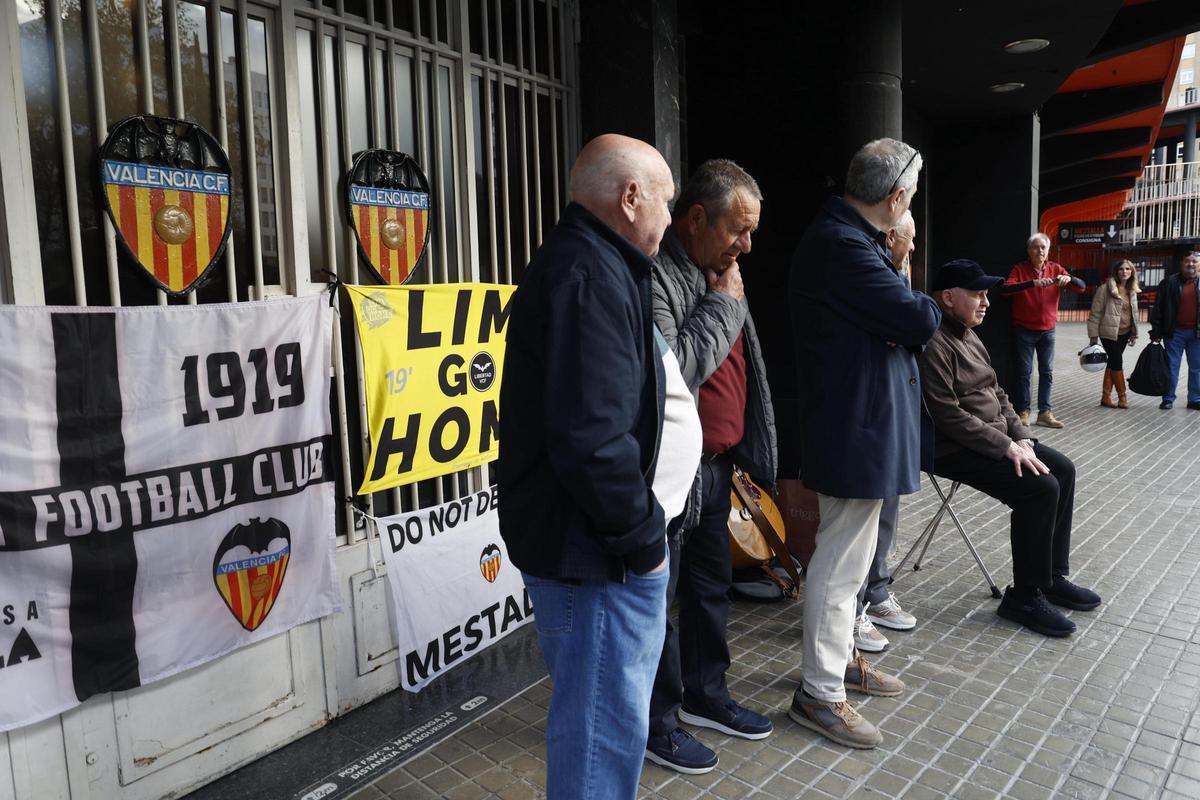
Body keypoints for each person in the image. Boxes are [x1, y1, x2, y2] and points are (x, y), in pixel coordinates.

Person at [496, 133, 702, 799]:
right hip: (597, 556)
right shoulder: (587, 275)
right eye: (666, 201)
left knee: (602, 731)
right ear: (631, 196)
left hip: (595, 550)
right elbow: (591, 439)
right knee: (598, 740)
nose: (671, 220)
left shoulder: (595, 265)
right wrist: (645, 543)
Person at [788, 138, 941, 749]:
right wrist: (909, 303)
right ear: (897, 196)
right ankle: (820, 693)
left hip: (861, 426)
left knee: (851, 560)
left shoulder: (851, 240)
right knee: (842, 560)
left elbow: (903, 323)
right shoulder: (844, 245)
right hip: (855, 429)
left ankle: (840, 663)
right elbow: (920, 320)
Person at [645, 159, 777, 774]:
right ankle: (658, 722)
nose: (747, 246)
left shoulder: (719, 269)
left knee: (709, 589)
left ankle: (706, 693)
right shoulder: (657, 278)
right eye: (737, 230)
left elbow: (743, 372)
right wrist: (725, 306)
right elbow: (677, 371)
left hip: (719, 465)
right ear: (696, 218)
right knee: (662, 602)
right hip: (674, 473)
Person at [920, 259, 1101, 639]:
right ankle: (1023, 596)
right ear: (948, 297)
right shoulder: (934, 340)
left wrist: (1020, 436)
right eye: (978, 294)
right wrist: (1007, 446)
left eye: (987, 294)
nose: (986, 302)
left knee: (1063, 469)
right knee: (1039, 486)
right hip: (950, 448)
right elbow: (946, 414)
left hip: (996, 439)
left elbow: (997, 392)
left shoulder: (968, 332)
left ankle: (1050, 577)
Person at [853, 210, 919, 654]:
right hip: (869, 421)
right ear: (892, 233)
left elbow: (915, 331)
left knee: (888, 513)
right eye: (909, 240)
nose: (913, 248)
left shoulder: (897, 274)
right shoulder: (869, 270)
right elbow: (919, 323)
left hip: (898, 415)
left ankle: (876, 593)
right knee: (858, 529)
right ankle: (856, 607)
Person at [1000, 233, 1086, 429]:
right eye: (1035, 247)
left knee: (1047, 372)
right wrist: (1033, 283)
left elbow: (1081, 288)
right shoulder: (1020, 269)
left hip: (1048, 331)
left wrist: (1068, 278)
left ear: (1047, 251)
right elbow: (1006, 290)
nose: (1039, 251)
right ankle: (1024, 412)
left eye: (1043, 248)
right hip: (1024, 330)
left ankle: (1045, 413)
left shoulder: (1055, 269)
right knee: (1024, 373)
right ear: (1029, 251)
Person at [1149, 251, 1200, 411]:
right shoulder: (1169, 282)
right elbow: (1159, 308)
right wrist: (1156, 332)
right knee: (1171, 366)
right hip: (1174, 333)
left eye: (1194, 262)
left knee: (1197, 368)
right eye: (1187, 261)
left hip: (1197, 334)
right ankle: (1168, 398)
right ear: (1182, 263)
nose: (1190, 264)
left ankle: (1195, 399)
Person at [1087, 259, 1139, 409]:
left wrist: (1134, 332)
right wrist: (1093, 336)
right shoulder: (1105, 289)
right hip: (1108, 332)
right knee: (1117, 361)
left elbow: (1133, 313)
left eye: (1128, 269)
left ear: (1132, 272)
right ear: (1116, 271)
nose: (1124, 272)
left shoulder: (1132, 290)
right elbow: (1095, 313)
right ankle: (1123, 396)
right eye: (1121, 269)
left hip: (1125, 332)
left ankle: (1106, 397)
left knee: (1112, 362)